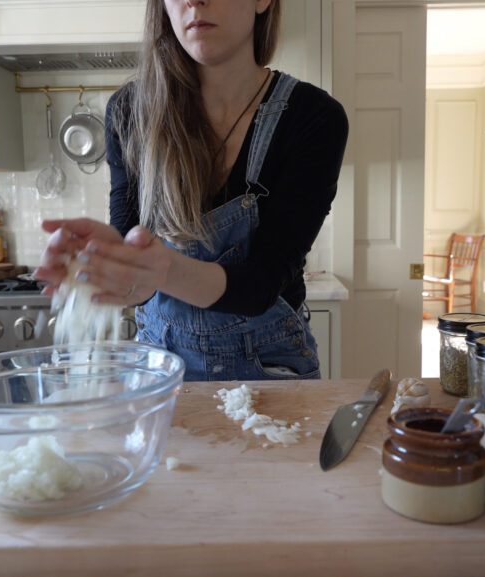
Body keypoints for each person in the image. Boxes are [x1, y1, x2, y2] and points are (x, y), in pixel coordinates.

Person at [35, 0, 349, 381]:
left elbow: (262, 285)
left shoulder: (312, 118)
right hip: (160, 373)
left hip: (271, 373)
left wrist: (160, 268)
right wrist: (111, 262)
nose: (193, 1)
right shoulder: (129, 112)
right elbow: (138, 287)